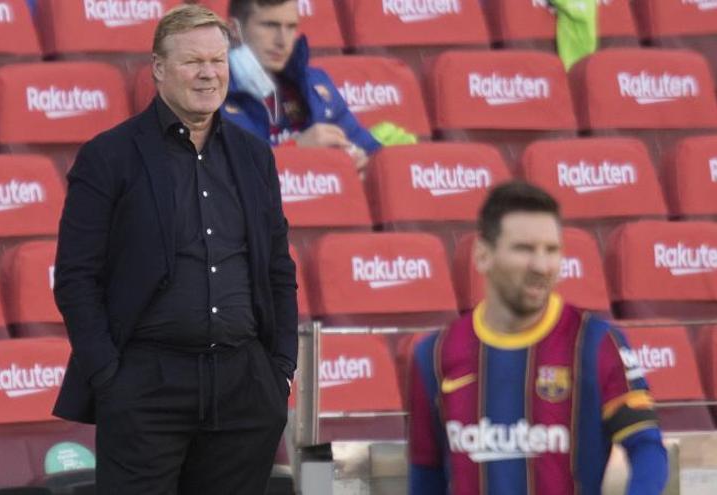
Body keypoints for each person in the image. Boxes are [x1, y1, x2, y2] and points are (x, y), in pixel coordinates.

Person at [52, 5, 298, 494]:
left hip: (244, 387)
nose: (209, 73)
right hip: (145, 386)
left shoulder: (254, 155)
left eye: (218, 61)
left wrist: (280, 371)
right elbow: (77, 277)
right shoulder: (108, 156)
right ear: (159, 69)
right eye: (193, 62)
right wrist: (109, 378)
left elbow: (277, 268)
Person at [408, 181, 668, 495]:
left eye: (552, 250)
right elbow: (425, 475)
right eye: (524, 249)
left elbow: (647, 448)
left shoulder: (597, 343)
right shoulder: (434, 354)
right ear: (482, 256)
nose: (542, 266)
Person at [220, 0, 381, 172]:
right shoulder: (209, 94)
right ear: (234, 30)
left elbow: (373, 152)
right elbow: (222, 178)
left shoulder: (316, 83)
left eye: (291, 27)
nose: (282, 41)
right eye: (269, 25)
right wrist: (296, 151)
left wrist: (363, 163)